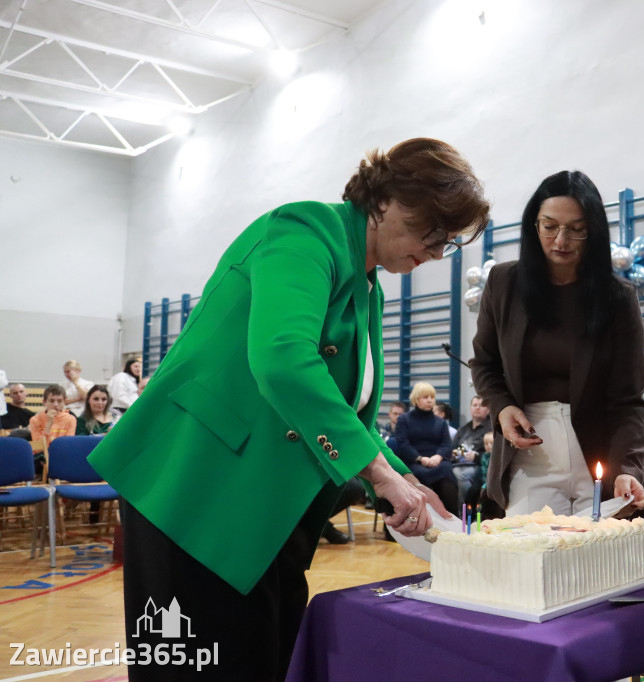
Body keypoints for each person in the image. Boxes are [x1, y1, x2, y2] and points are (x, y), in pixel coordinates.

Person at [87, 138, 490, 681]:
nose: (438, 252)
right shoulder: (304, 231)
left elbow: (351, 416)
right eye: (434, 233)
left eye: (449, 242)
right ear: (388, 200)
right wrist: (377, 472)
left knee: (265, 662)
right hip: (198, 493)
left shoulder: (367, 289)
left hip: (266, 512)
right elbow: (282, 359)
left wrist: (401, 483)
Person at [471, 170, 644, 517]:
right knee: (529, 554)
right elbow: (484, 362)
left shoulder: (618, 298)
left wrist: (628, 469)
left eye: (576, 228)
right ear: (533, 225)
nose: (561, 240)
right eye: (550, 226)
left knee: (601, 562)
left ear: (594, 231)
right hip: (530, 450)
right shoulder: (503, 283)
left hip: (601, 454)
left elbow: (628, 401)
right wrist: (502, 406)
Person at [392, 382, 459, 514]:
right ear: (416, 399)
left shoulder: (440, 422)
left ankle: (452, 519)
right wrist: (420, 459)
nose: (430, 400)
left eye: (432, 397)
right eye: (425, 397)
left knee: (447, 477)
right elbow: (403, 444)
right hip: (414, 462)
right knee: (421, 476)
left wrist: (438, 456)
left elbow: (446, 444)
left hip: (437, 462)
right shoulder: (404, 419)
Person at [451, 395, 490, 507]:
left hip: (478, 465)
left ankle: (467, 509)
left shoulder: (490, 429)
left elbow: (492, 454)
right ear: (470, 408)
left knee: (460, 474)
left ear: (487, 410)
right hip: (458, 463)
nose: (477, 408)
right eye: (475, 405)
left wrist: (476, 456)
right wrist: (456, 454)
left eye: (482, 405)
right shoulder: (463, 429)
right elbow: (452, 449)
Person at [28, 384, 78, 454]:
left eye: (59, 401)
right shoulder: (35, 420)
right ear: (44, 402)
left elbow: (68, 445)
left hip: (62, 455)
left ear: (64, 402)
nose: (55, 405)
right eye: (51, 401)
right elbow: (39, 449)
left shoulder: (70, 419)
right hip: (41, 458)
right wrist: (49, 423)